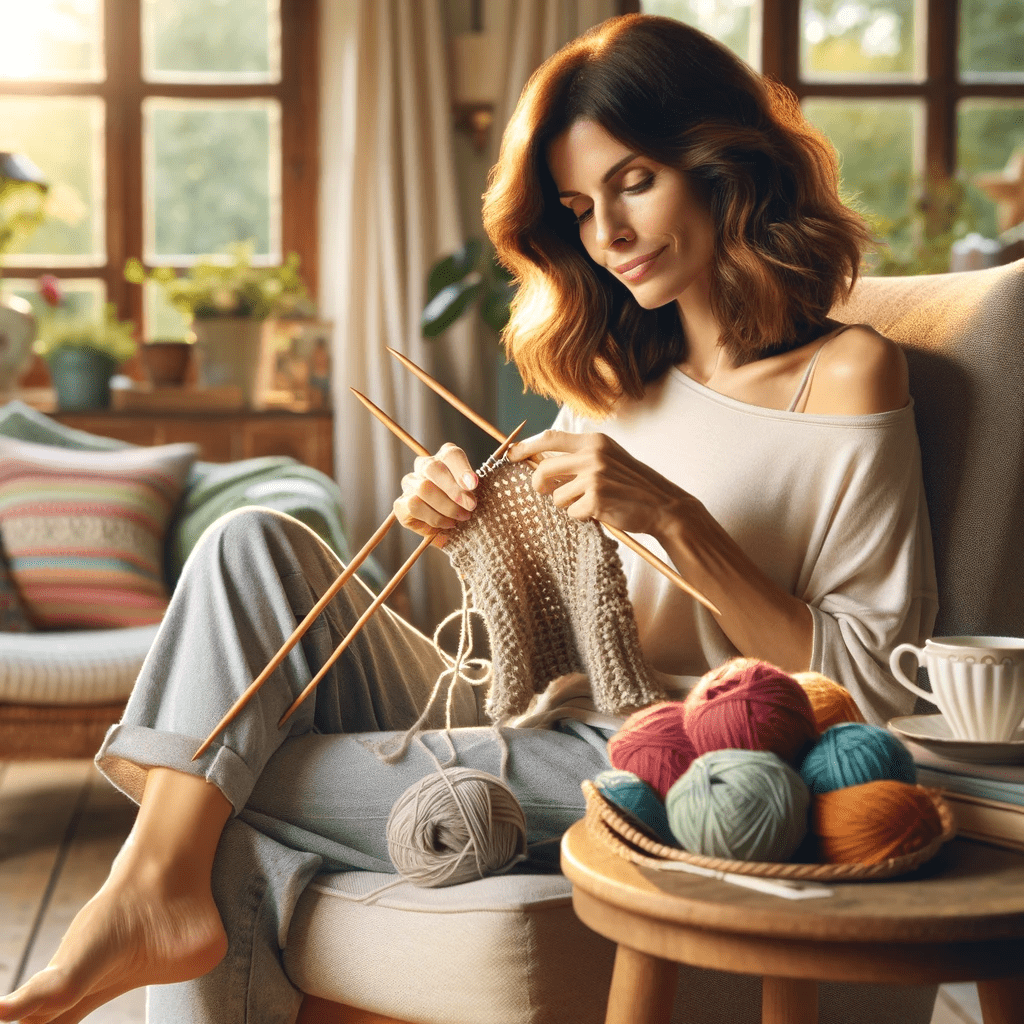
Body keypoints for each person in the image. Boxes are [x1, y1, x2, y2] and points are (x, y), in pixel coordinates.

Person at [0, 13, 937, 1024]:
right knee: (249, 543)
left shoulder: (843, 374)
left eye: (634, 181)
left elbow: (873, 686)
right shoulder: (618, 377)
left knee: (214, 789)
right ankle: (159, 880)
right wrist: (454, 524)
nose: (607, 235)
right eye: (580, 206)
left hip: (666, 756)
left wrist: (673, 517)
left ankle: (154, 882)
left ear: (723, 164)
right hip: (536, 711)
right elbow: (547, 626)